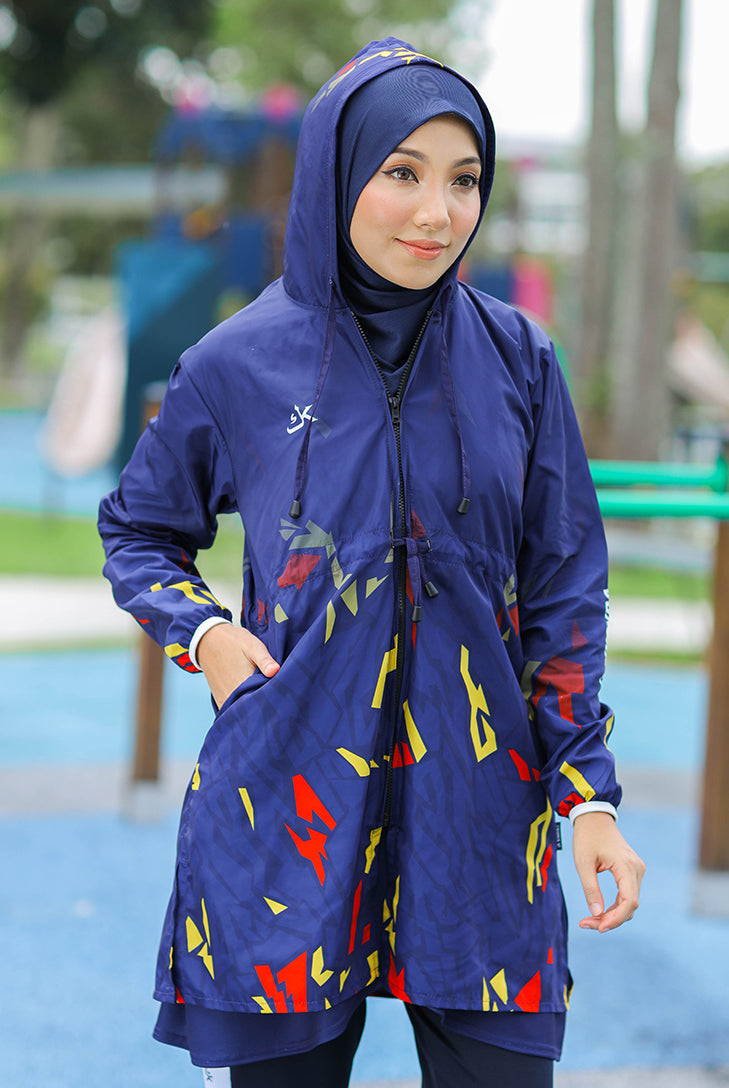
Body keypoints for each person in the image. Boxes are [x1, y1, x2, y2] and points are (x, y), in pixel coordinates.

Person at [98, 37, 645, 1088]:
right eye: (402, 172)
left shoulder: (521, 361)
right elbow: (138, 527)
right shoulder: (237, 363)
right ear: (338, 173)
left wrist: (589, 798)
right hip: (288, 815)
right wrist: (204, 634)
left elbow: (566, 587)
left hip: (482, 823)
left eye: (464, 179)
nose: (437, 213)